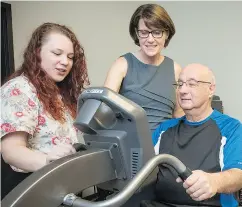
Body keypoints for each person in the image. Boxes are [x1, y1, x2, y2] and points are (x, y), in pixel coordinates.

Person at [0, 22, 90, 199]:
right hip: (29, 187)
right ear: (37, 52)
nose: (65, 62)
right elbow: (11, 152)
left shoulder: (59, 93)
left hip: (59, 187)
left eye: (70, 57)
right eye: (57, 53)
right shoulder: (19, 89)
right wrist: (47, 161)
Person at [146, 64, 242, 207]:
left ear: (211, 89)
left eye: (192, 84)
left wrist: (214, 181)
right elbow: (141, 169)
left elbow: (238, 175)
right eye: (180, 84)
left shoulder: (231, 127)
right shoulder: (164, 129)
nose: (183, 90)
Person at [104, 4, 184, 134]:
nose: (150, 39)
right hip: (130, 146)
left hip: (165, 145)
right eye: (144, 32)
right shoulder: (122, 65)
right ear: (137, 33)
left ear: (166, 34)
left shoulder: (176, 69)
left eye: (157, 32)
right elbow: (104, 112)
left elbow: (179, 114)